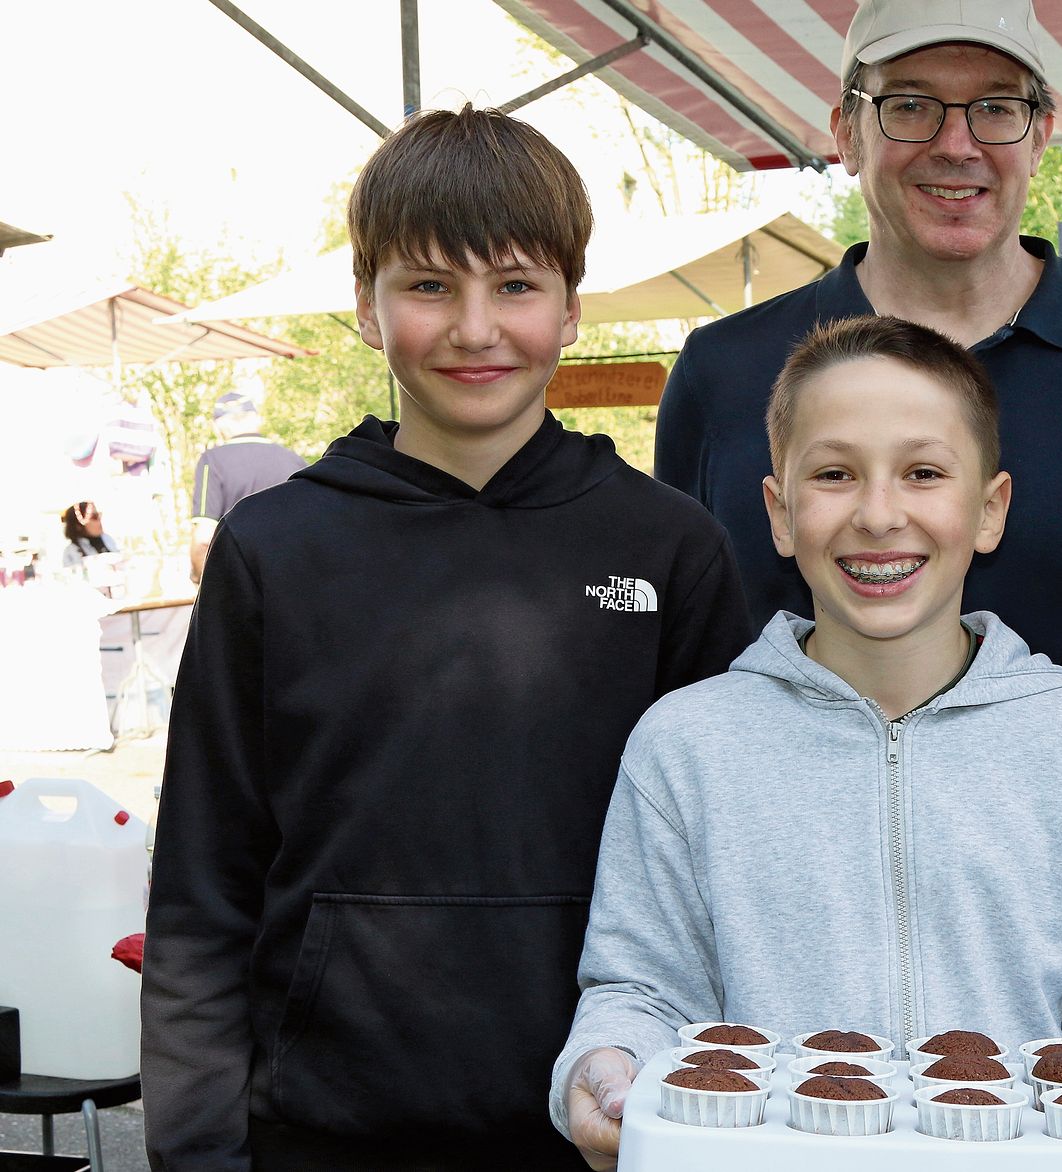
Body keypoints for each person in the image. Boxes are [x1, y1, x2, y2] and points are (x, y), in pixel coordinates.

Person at [142, 105, 753, 1172]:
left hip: (609, 1125)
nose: (476, 328)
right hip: (325, 1129)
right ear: (369, 310)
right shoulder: (275, 548)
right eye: (429, 285)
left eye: (515, 284)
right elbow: (204, 884)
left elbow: (732, 866)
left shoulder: (670, 546)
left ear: (570, 306)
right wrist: (195, 1148)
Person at [555, 316, 1062, 1172]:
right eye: (835, 474)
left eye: (923, 473)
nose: (879, 514)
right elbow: (640, 992)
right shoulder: (686, 746)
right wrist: (605, 1062)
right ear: (778, 512)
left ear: (989, 509)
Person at [654, 0, 1062, 663]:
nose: (956, 146)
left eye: (994, 109)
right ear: (847, 135)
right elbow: (682, 651)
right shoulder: (722, 373)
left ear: (1039, 137)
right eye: (909, 106)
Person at [188, 391, 307, 583]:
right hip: (295, 579)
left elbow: (204, 538)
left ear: (219, 425)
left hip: (244, 584)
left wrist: (199, 579)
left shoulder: (213, 461)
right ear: (257, 419)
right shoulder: (294, 460)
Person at [59, 500, 119, 566]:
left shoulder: (108, 539)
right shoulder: (71, 552)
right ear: (78, 525)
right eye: (94, 517)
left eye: (99, 515)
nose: (99, 520)